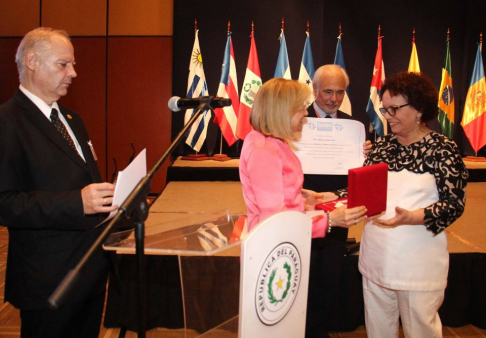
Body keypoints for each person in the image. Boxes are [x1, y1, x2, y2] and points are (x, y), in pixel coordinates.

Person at [0, 27, 118, 337]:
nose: (73, 73)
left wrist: (110, 202)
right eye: (63, 64)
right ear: (32, 61)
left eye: (73, 64)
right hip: (47, 281)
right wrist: (76, 203)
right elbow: (5, 203)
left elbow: (82, 179)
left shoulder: (72, 119)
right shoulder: (6, 122)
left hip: (89, 271)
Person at [359, 71, 468, 338]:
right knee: (378, 330)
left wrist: (412, 217)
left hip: (418, 262)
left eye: (395, 108)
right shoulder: (381, 147)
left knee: (421, 331)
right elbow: (362, 192)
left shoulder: (443, 148)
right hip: (375, 258)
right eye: (385, 110)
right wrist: (332, 196)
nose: (388, 116)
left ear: (419, 108)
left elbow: (454, 204)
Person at [239, 77, 367, 239]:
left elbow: (279, 197)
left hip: (284, 240)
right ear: (283, 110)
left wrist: (303, 203)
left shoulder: (270, 141)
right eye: (300, 108)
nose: (306, 112)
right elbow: (275, 220)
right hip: (274, 247)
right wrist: (329, 220)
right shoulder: (264, 151)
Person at [304, 64, 370, 338]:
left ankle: (318, 332)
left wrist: (365, 154)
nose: (333, 98)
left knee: (328, 278)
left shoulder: (354, 127)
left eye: (339, 92)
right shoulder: (295, 119)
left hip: (338, 211)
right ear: (315, 90)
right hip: (302, 208)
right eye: (327, 91)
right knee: (301, 278)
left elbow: (359, 175)